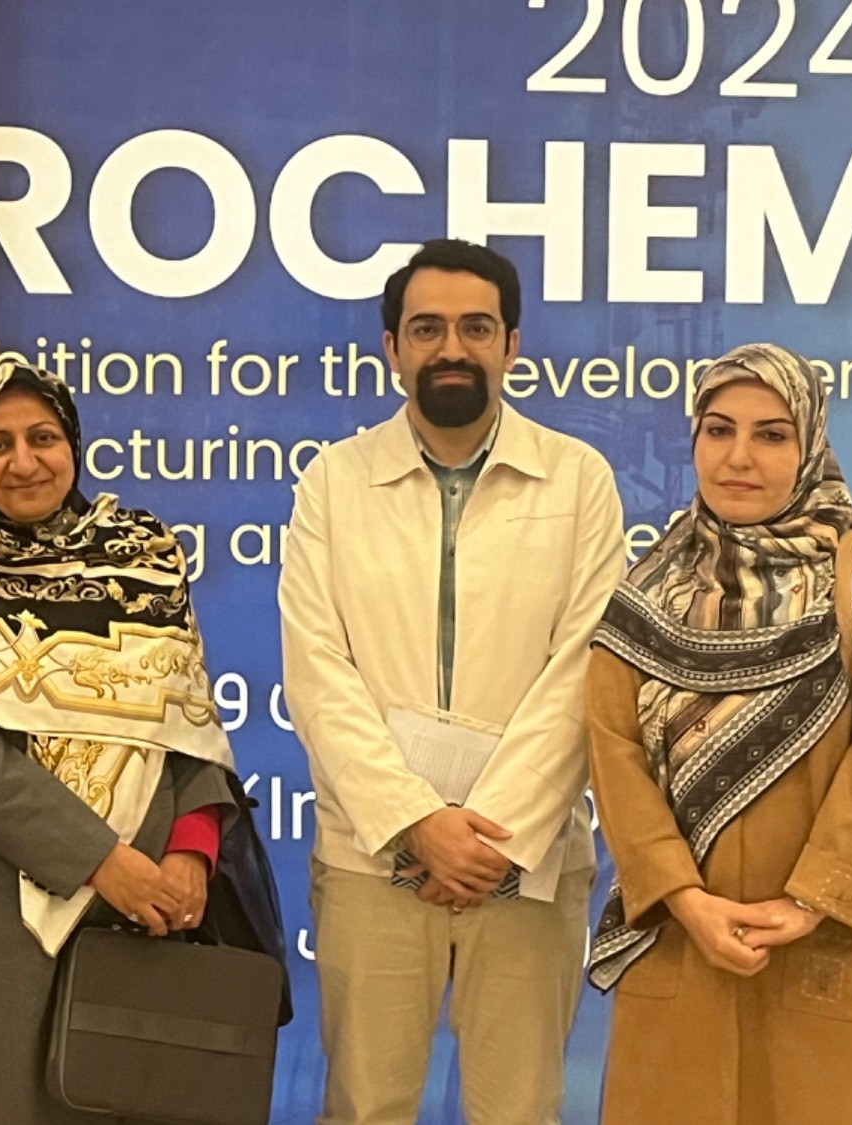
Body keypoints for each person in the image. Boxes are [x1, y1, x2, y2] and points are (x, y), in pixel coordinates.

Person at [0, 359, 286, 1124]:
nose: (24, 461)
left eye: (43, 437)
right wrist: (101, 861)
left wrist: (192, 850)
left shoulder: (146, 557)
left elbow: (190, 722)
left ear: (74, 443)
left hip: (150, 912)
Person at [279, 238, 626, 1124]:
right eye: (426, 328)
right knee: (365, 1107)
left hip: (527, 858)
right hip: (374, 857)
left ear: (512, 345)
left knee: (520, 1109)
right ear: (391, 348)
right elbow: (319, 673)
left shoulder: (580, 479)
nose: (451, 348)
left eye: (476, 327)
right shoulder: (333, 483)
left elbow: (584, 667)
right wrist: (417, 823)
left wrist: (491, 835)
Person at [586, 343, 852, 1124]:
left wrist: (812, 898)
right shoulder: (651, 585)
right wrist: (684, 897)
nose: (739, 456)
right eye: (718, 429)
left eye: (771, 434)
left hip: (823, 946)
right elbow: (613, 748)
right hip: (680, 942)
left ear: (810, 444)